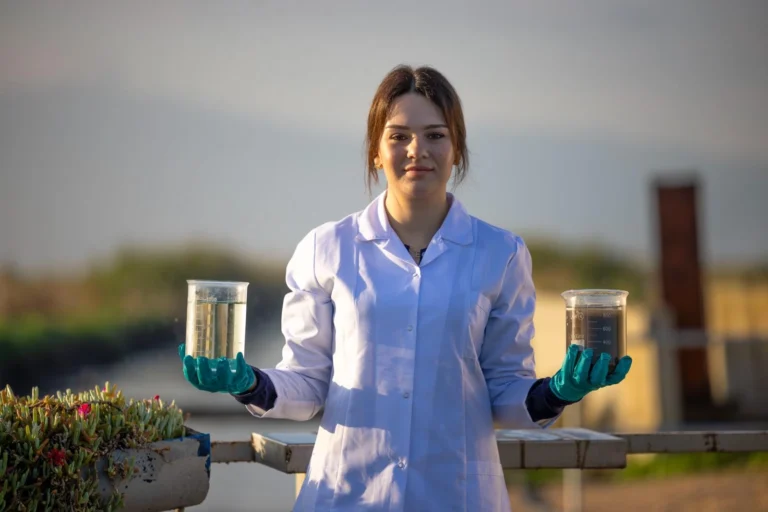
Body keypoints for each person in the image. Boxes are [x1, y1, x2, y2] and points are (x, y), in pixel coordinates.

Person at [179, 64, 632, 512]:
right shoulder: (327, 248)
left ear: (457, 149)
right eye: (399, 136)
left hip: (457, 495)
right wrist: (249, 383)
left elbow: (505, 393)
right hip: (345, 495)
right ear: (376, 151)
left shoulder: (501, 254)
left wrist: (559, 391)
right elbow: (308, 385)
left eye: (435, 135)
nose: (418, 150)